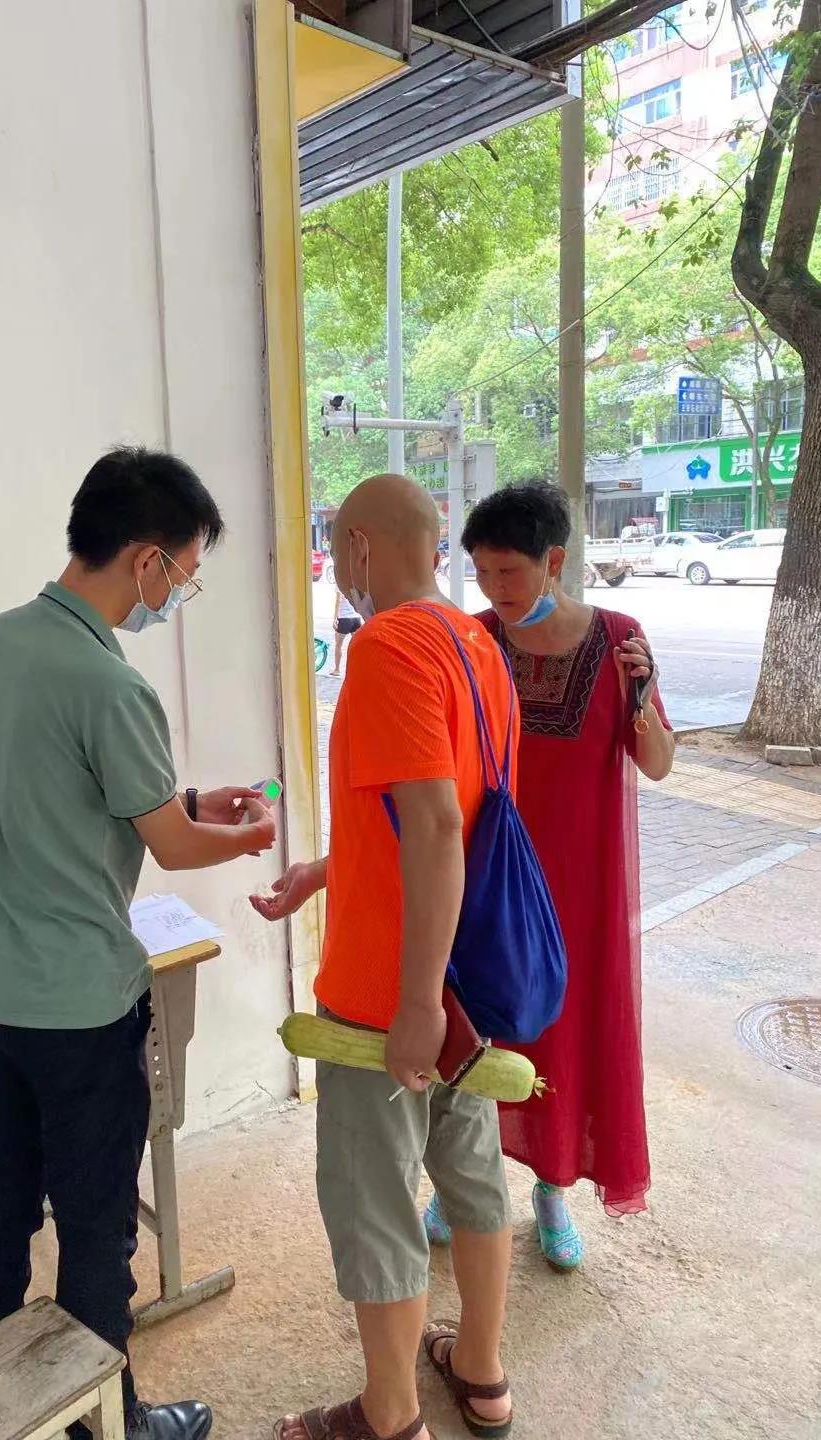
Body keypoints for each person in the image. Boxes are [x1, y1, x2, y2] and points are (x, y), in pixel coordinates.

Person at [0, 447, 276, 1440]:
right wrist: (245, 831)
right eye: (185, 572)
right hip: (76, 1009)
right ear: (145, 560)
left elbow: (72, 790)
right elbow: (171, 845)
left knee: (4, 1196)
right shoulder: (108, 681)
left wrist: (189, 797)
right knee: (95, 1227)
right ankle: (108, 1424)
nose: (178, 594)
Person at [253, 474, 518, 1440]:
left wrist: (412, 1006)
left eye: (336, 549)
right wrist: (328, 870)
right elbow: (441, 819)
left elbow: (439, 826)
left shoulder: (388, 648)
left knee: (373, 1198)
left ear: (361, 544)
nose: (337, 570)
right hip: (465, 977)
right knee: (473, 1174)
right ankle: (480, 1372)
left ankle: (389, 1414)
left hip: (388, 993)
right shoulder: (478, 647)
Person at [423, 481, 674, 1271]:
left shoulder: (621, 641)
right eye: (482, 572)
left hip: (580, 889)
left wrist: (642, 697)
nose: (494, 589)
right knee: (476, 1025)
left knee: (565, 1036)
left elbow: (658, 764)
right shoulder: (472, 640)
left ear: (554, 561)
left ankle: (553, 1188)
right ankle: (462, 1182)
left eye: (509, 572)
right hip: (487, 881)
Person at [330, 583, 362, 675]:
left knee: (338, 645)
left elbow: (338, 601)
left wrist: (335, 618)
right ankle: (356, 669)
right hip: (356, 618)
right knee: (356, 646)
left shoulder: (340, 584)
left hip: (344, 618)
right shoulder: (355, 583)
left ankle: (337, 669)